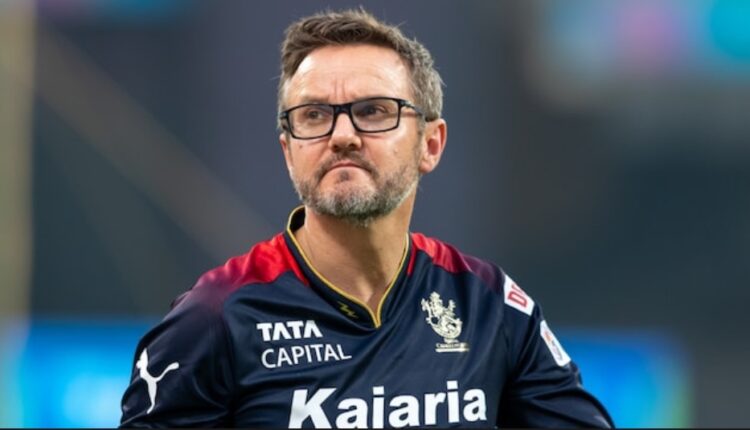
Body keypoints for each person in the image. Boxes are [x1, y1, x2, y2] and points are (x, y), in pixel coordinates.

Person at [120, 8, 613, 428]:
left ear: (431, 144)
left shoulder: (488, 304)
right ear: (288, 151)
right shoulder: (214, 319)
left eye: (374, 111)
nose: (342, 136)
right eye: (314, 115)